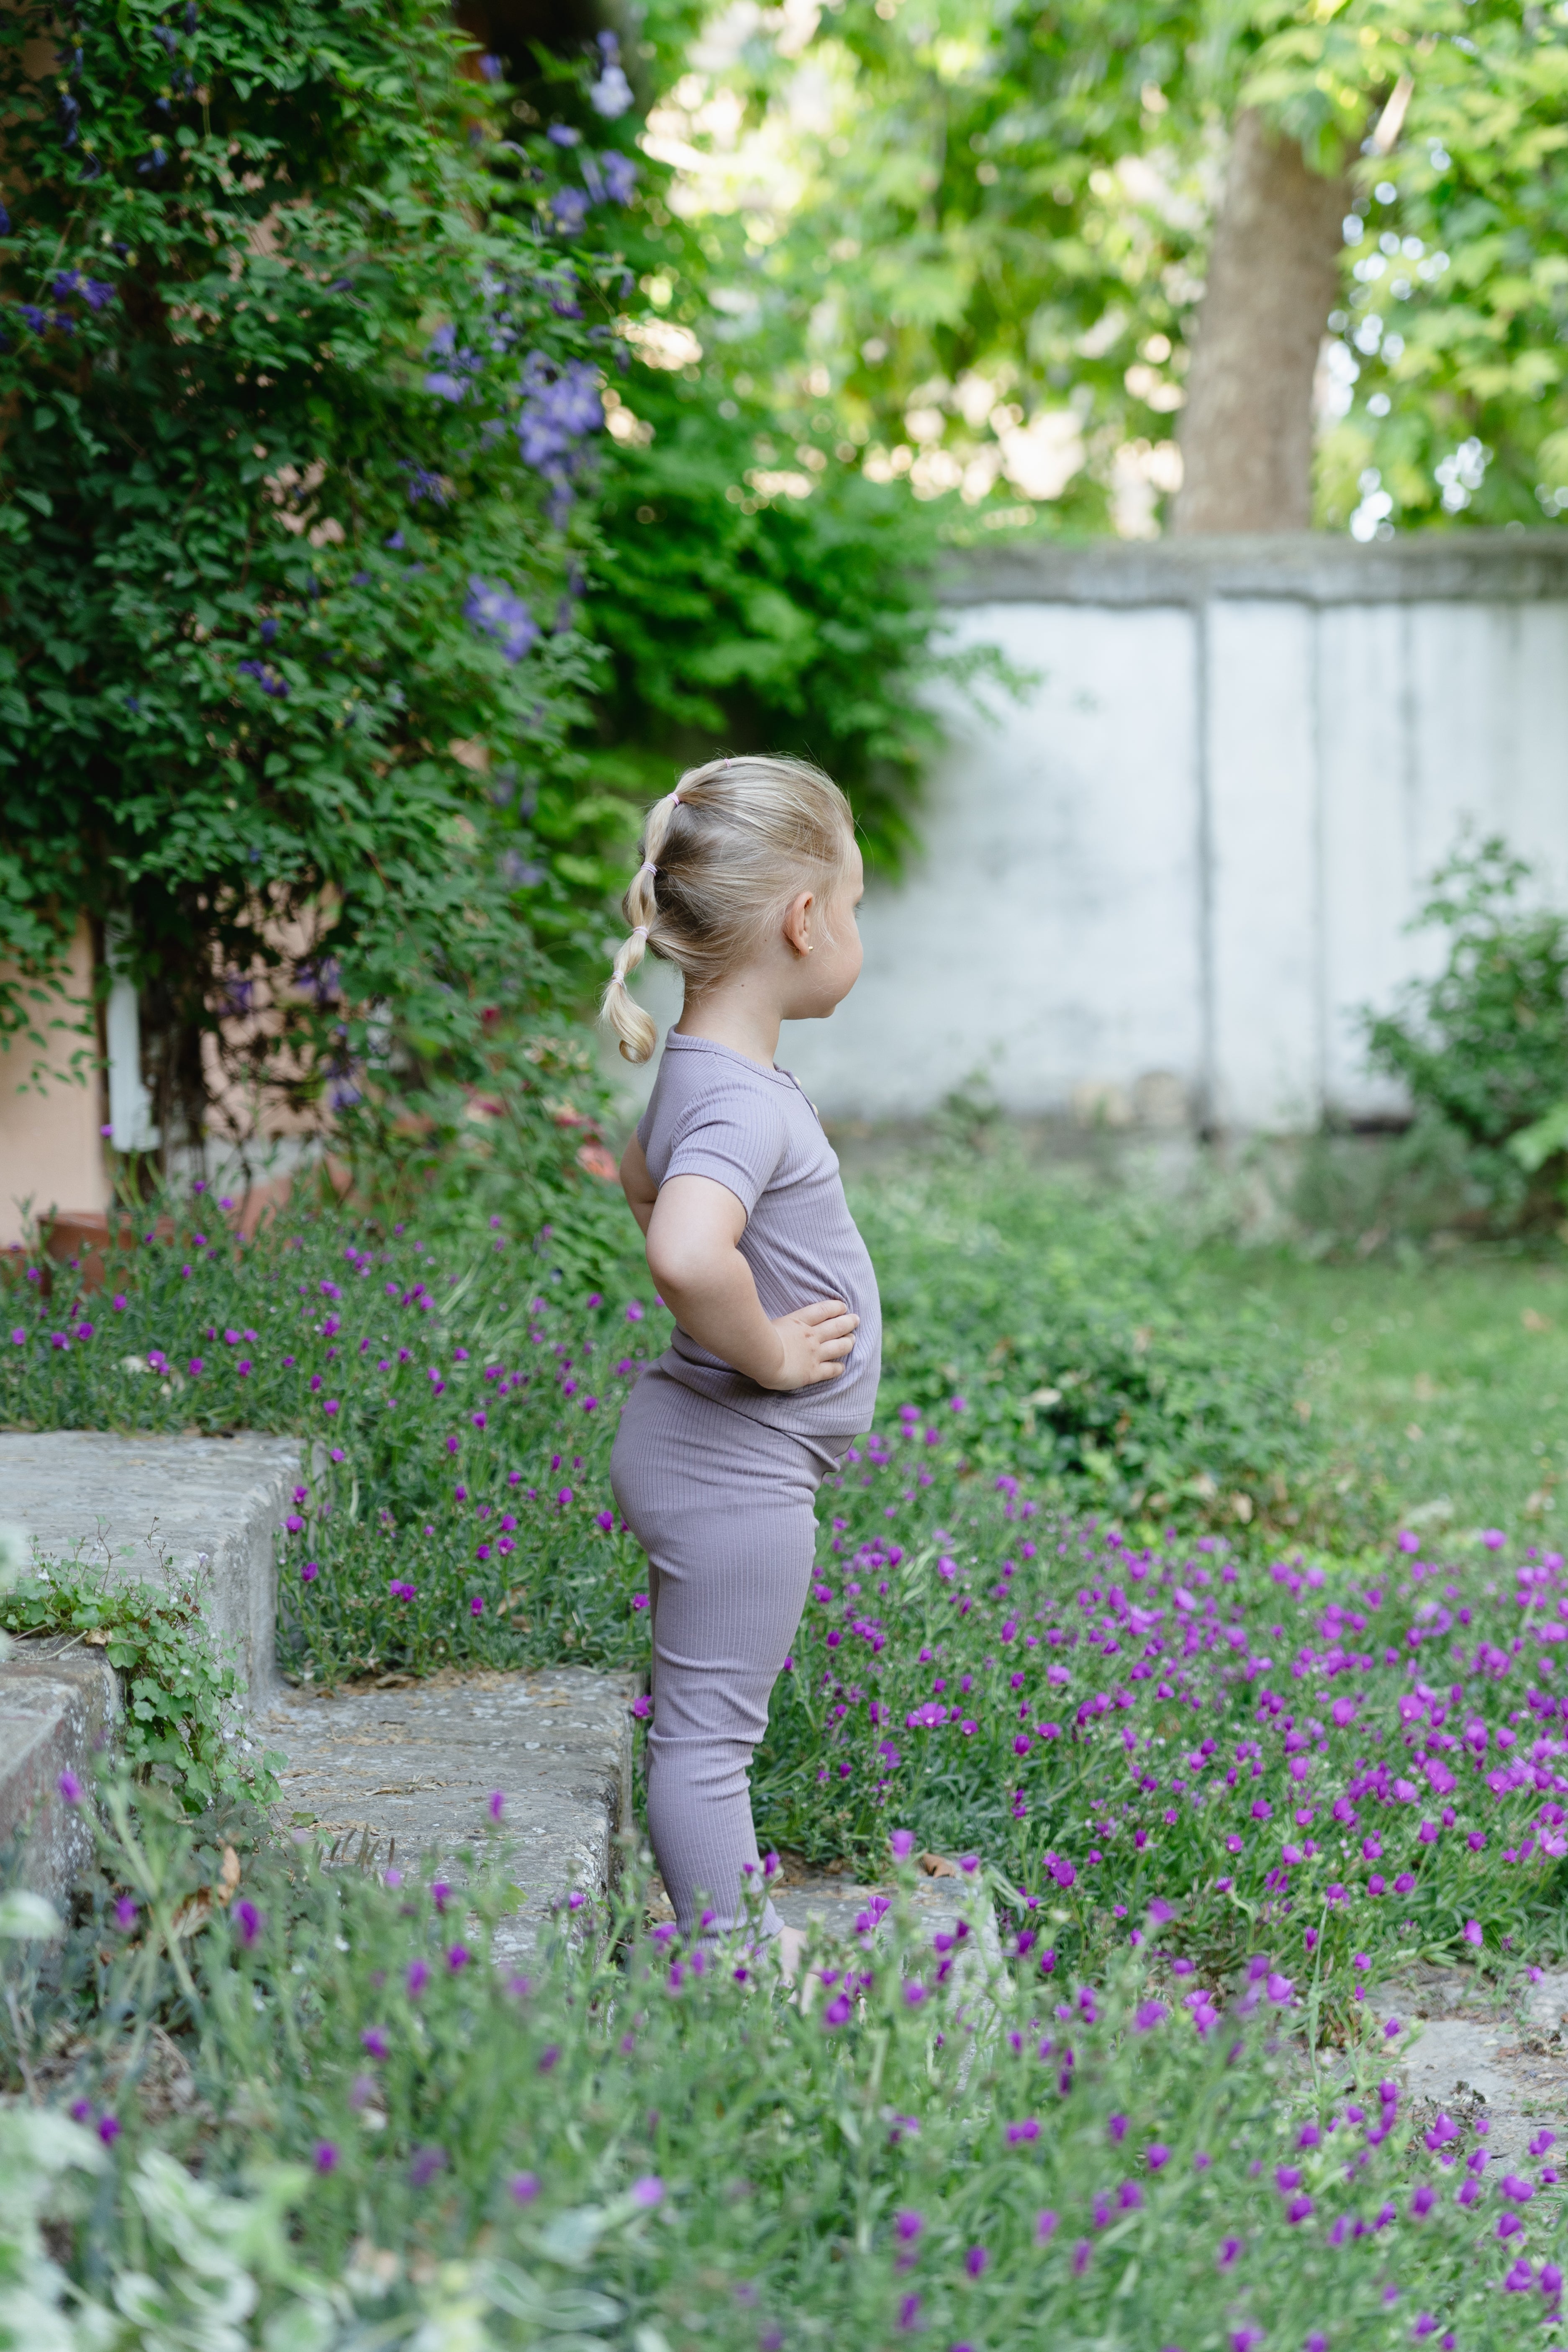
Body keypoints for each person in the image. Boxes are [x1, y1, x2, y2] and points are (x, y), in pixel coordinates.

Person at [601, 754, 880, 1977]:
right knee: (707, 1745)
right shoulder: (743, 1102)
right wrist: (767, 1350)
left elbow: (637, 1171)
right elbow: (679, 1242)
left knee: (702, 1731)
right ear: (802, 920)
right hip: (735, 1464)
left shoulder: (712, 1077)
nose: (855, 926)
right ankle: (733, 1975)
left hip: (716, 1455)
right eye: (855, 902)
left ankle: (729, 1951)